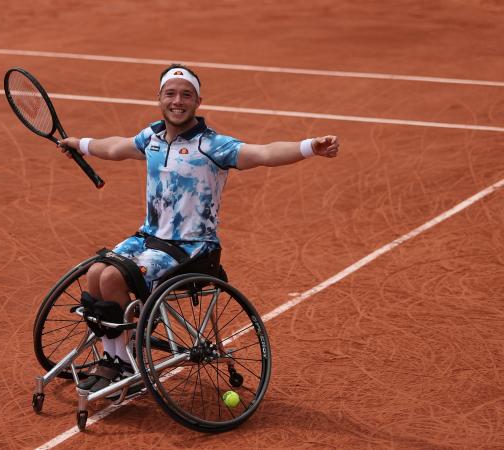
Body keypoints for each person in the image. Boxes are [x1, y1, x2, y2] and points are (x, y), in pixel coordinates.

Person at [58, 64, 339, 393]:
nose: (178, 101)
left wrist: (309, 147)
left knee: (111, 277)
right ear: (159, 99)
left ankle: (122, 363)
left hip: (193, 247)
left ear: (198, 101)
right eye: (171, 94)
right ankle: (115, 358)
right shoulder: (152, 138)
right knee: (95, 273)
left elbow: (263, 153)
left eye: (186, 95)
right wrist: (81, 143)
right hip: (149, 237)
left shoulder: (213, 146)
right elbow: (117, 147)